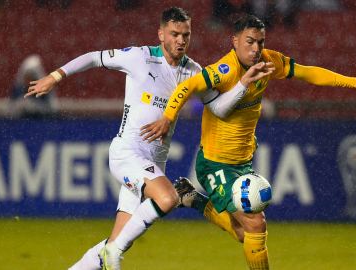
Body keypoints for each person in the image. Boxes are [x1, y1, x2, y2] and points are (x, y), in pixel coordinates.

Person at [25, 7, 274, 270]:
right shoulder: (139, 57)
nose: (181, 40)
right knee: (167, 199)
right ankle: (114, 252)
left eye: (185, 35)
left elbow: (219, 107)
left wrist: (243, 84)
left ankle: (99, 256)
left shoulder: (193, 70)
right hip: (127, 153)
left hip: (153, 164)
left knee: (120, 238)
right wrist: (55, 76)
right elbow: (94, 57)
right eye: (174, 34)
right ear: (161, 34)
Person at [139, 15, 356, 269]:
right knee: (256, 224)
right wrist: (168, 117)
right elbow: (187, 86)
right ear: (234, 41)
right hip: (216, 163)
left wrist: (354, 82)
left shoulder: (269, 60)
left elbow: (306, 72)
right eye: (249, 42)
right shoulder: (225, 70)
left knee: (242, 233)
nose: (256, 48)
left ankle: (191, 198)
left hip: (242, 161)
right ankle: (192, 198)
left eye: (260, 41)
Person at [3, 54, 57, 119]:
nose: (28, 80)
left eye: (30, 77)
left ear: (36, 78)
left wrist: (34, 107)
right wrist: (18, 106)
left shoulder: (44, 90)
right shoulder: (17, 89)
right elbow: (9, 108)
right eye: (26, 77)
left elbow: (51, 109)